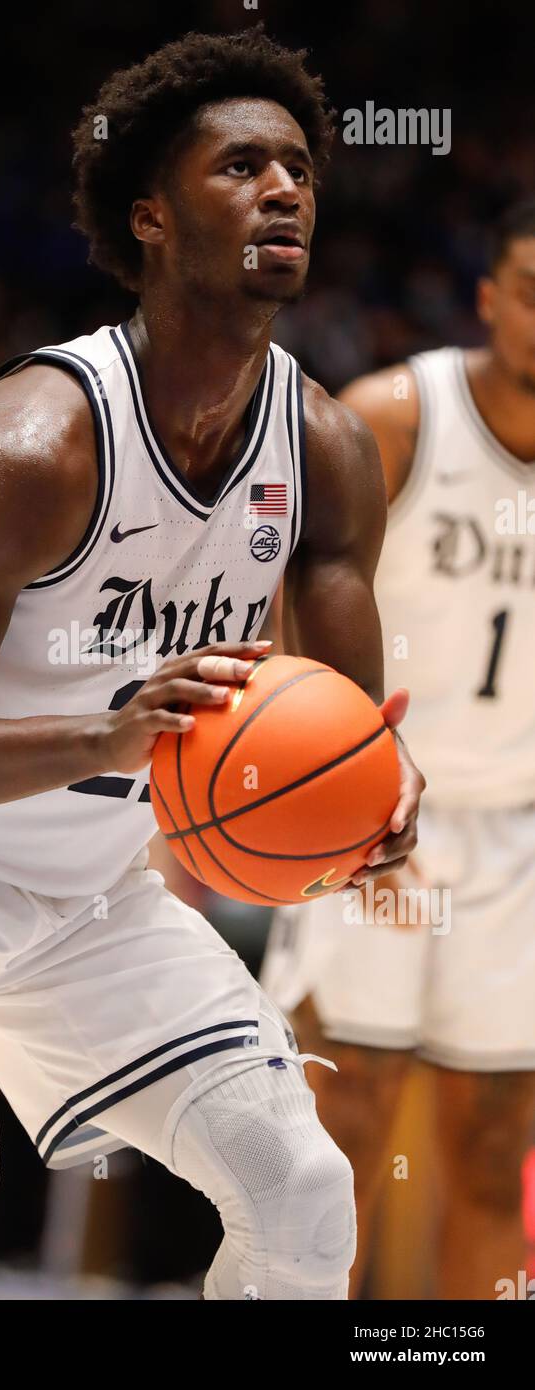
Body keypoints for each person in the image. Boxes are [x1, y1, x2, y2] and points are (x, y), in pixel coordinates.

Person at [0, 27, 423, 1302]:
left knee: (304, 1193)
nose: (283, 189)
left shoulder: (323, 455)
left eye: (298, 169)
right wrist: (106, 745)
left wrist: (375, 810)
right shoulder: (32, 445)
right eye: (240, 167)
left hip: (85, 889)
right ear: (151, 218)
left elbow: (337, 736)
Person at [262, 198, 535, 1299]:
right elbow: (291, 605)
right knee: (338, 1128)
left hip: (517, 829)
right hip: (373, 810)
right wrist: (344, 800)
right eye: (532, 292)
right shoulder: (396, 415)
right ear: (487, 299)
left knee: (489, 1152)